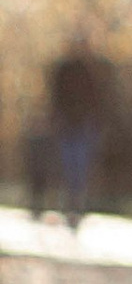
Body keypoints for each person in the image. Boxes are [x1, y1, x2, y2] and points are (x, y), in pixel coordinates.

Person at [42, 47, 114, 233]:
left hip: (84, 124)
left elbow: (99, 98)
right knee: (68, 165)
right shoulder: (64, 70)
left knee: (80, 166)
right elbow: (55, 96)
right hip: (67, 124)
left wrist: (97, 120)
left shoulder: (92, 70)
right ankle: (70, 204)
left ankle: (77, 204)